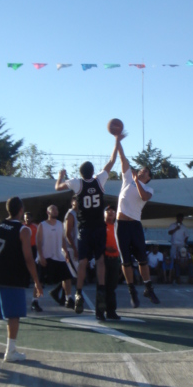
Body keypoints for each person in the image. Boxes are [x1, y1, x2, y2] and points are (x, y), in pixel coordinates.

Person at [55, 141, 118, 317]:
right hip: (99, 227)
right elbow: (112, 161)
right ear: (93, 171)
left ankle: (78, 292)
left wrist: (60, 176)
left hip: (85, 229)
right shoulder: (99, 181)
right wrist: (116, 141)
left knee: (82, 262)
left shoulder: (77, 184)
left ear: (81, 173)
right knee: (100, 261)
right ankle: (101, 289)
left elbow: (57, 187)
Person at [0, 197, 43, 362]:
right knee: (13, 315)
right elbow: (29, 259)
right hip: (13, 277)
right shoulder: (23, 230)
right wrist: (37, 281)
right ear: (21, 210)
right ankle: (11, 351)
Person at [115, 134, 160, 307]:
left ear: (148, 177)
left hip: (135, 224)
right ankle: (132, 291)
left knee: (142, 258)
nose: (142, 171)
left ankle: (148, 288)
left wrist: (137, 181)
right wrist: (117, 141)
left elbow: (143, 196)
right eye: (142, 169)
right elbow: (122, 158)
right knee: (125, 260)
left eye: (146, 171)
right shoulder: (128, 178)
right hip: (122, 225)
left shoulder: (148, 188)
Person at [36, 205, 73, 308]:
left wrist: (66, 252)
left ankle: (68, 299)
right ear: (48, 212)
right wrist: (41, 256)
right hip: (46, 257)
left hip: (58, 257)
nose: (55, 211)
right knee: (39, 281)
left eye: (56, 209)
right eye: (53, 209)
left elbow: (62, 240)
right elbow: (38, 242)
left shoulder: (60, 224)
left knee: (67, 277)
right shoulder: (42, 225)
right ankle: (35, 301)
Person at [103, 205, 121, 321]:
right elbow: (96, 242)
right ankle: (100, 310)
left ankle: (111, 311)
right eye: (108, 211)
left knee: (112, 287)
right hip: (104, 259)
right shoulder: (101, 226)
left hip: (115, 260)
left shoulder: (117, 226)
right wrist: (106, 248)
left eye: (113, 211)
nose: (110, 213)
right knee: (102, 286)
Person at [24, 211, 42, 312]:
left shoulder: (36, 227)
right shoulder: (21, 227)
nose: (27, 219)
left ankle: (35, 301)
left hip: (34, 249)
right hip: (24, 249)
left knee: (36, 271)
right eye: (25, 218)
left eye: (28, 218)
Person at [63, 197, 79, 277]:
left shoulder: (79, 213)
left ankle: (64, 289)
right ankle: (79, 289)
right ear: (72, 202)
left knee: (70, 274)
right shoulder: (70, 214)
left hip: (77, 246)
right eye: (76, 199)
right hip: (71, 248)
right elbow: (67, 233)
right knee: (77, 273)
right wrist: (74, 249)